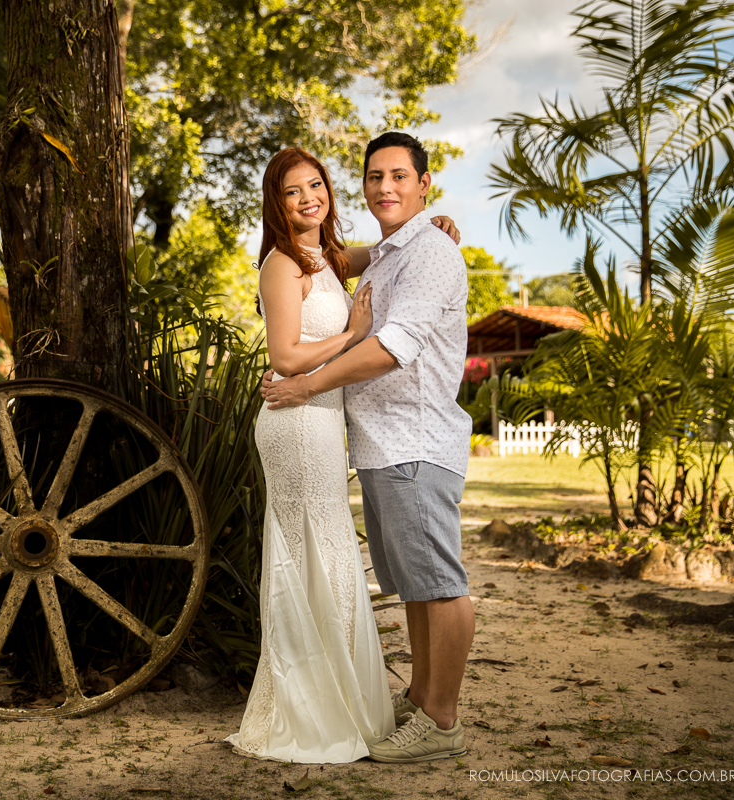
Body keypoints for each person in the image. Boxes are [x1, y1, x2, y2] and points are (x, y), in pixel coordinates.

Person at [226, 146, 459, 764]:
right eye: (292, 192)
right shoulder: (282, 265)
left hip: (325, 417)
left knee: (330, 550)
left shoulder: (326, 257)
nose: (308, 199)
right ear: (276, 205)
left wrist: (428, 226)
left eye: (316, 185)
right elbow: (285, 358)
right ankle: (314, 706)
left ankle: (347, 699)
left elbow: (386, 250)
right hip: (297, 417)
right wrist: (353, 335)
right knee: (315, 551)